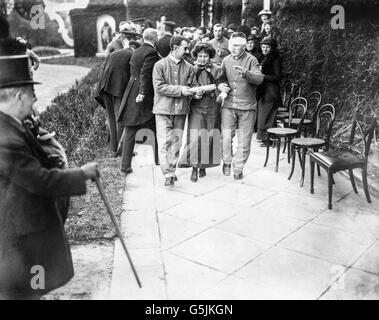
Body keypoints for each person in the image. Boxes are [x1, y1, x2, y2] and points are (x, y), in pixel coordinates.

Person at [0, 55, 98, 300]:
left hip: (22, 226)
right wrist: (82, 173)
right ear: (19, 96)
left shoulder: (14, 125)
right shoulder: (7, 138)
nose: (35, 100)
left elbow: (42, 160)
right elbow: (39, 180)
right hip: (18, 232)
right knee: (22, 292)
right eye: (32, 94)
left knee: (32, 288)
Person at [152, 35, 197, 186]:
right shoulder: (159, 65)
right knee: (164, 142)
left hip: (180, 111)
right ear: (175, 47)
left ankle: (171, 170)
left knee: (176, 143)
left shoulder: (190, 67)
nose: (187, 51)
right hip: (163, 110)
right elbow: (159, 87)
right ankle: (168, 174)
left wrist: (196, 91)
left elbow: (193, 85)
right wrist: (181, 90)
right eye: (185, 48)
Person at [219, 32, 264, 179]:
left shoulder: (252, 60)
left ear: (244, 46)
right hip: (229, 105)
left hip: (247, 106)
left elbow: (259, 79)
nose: (233, 48)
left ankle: (238, 167)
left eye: (237, 45)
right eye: (232, 45)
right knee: (225, 137)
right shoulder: (225, 60)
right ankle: (226, 161)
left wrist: (247, 73)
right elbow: (220, 79)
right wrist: (220, 85)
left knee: (244, 140)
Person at [178, 43, 225, 182]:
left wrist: (218, 92)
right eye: (200, 56)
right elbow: (188, 87)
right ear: (196, 56)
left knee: (208, 136)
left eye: (205, 56)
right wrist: (194, 94)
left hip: (212, 107)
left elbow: (222, 86)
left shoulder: (217, 69)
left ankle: (203, 165)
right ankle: (194, 168)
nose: (203, 59)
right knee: (195, 137)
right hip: (197, 107)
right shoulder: (192, 69)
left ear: (210, 56)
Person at [117, 28, 160, 175]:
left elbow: (134, 72)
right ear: (154, 38)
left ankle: (125, 166)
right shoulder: (152, 52)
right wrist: (142, 93)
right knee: (155, 128)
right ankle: (159, 161)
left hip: (131, 91)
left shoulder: (136, 51)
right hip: (144, 95)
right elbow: (146, 74)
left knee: (130, 129)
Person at [95, 46, 133, 155]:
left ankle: (113, 148)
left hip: (104, 87)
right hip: (117, 89)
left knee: (111, 117)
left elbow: (103, 68)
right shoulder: (131, 55)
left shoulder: (115, 53)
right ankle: (121, 150)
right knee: (120, 117)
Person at [256, 36, 282, 144]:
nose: (265, 49)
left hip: (271, 90)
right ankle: (265, 138)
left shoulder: (275, 58)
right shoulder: (263, 57)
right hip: (264, 88)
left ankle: (268, 139)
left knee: (267, 114)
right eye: (263, 47)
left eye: (267, 47)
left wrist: (263, 76)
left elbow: (278, 76)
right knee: (263, 113)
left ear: (272, 48)